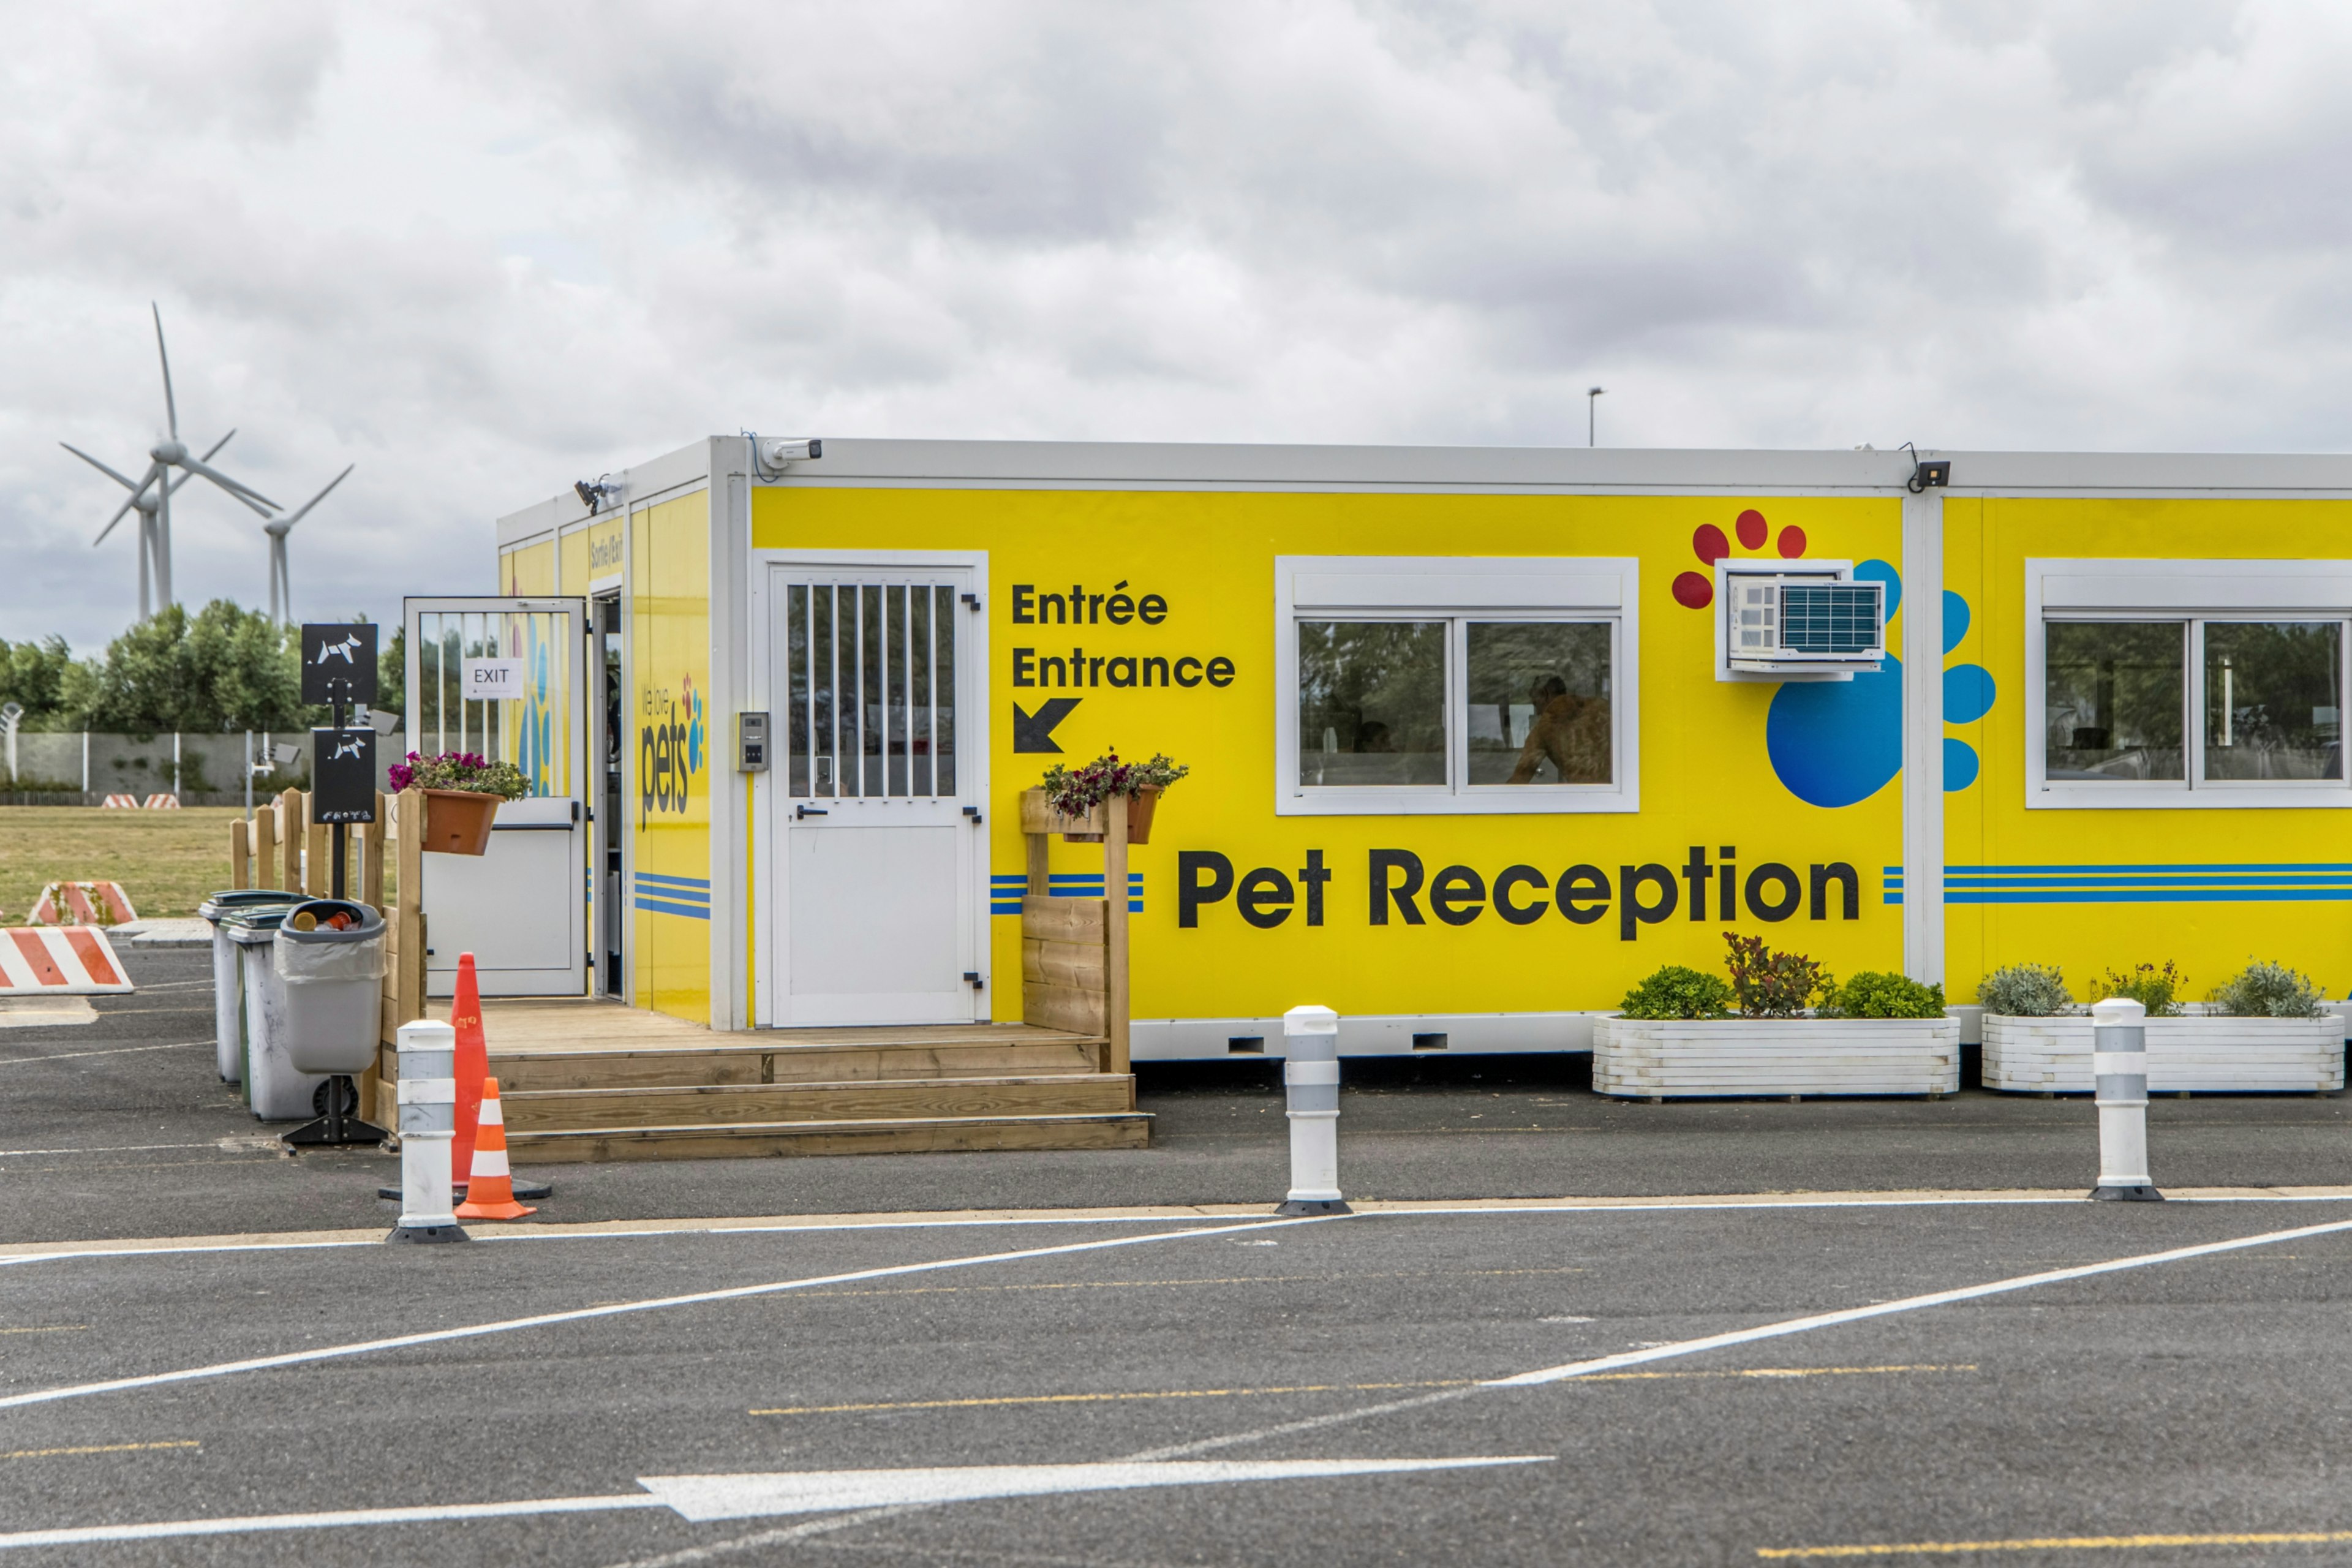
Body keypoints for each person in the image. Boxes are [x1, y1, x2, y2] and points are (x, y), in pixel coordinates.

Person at [1507, 674, 1608, 783]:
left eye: (1536, 704)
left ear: (1545, 694)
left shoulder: (1543, 729)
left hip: (1586, 796)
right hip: (1619, 792)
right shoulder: (1602, 707)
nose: (1537, 713)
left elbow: (1519, 781)